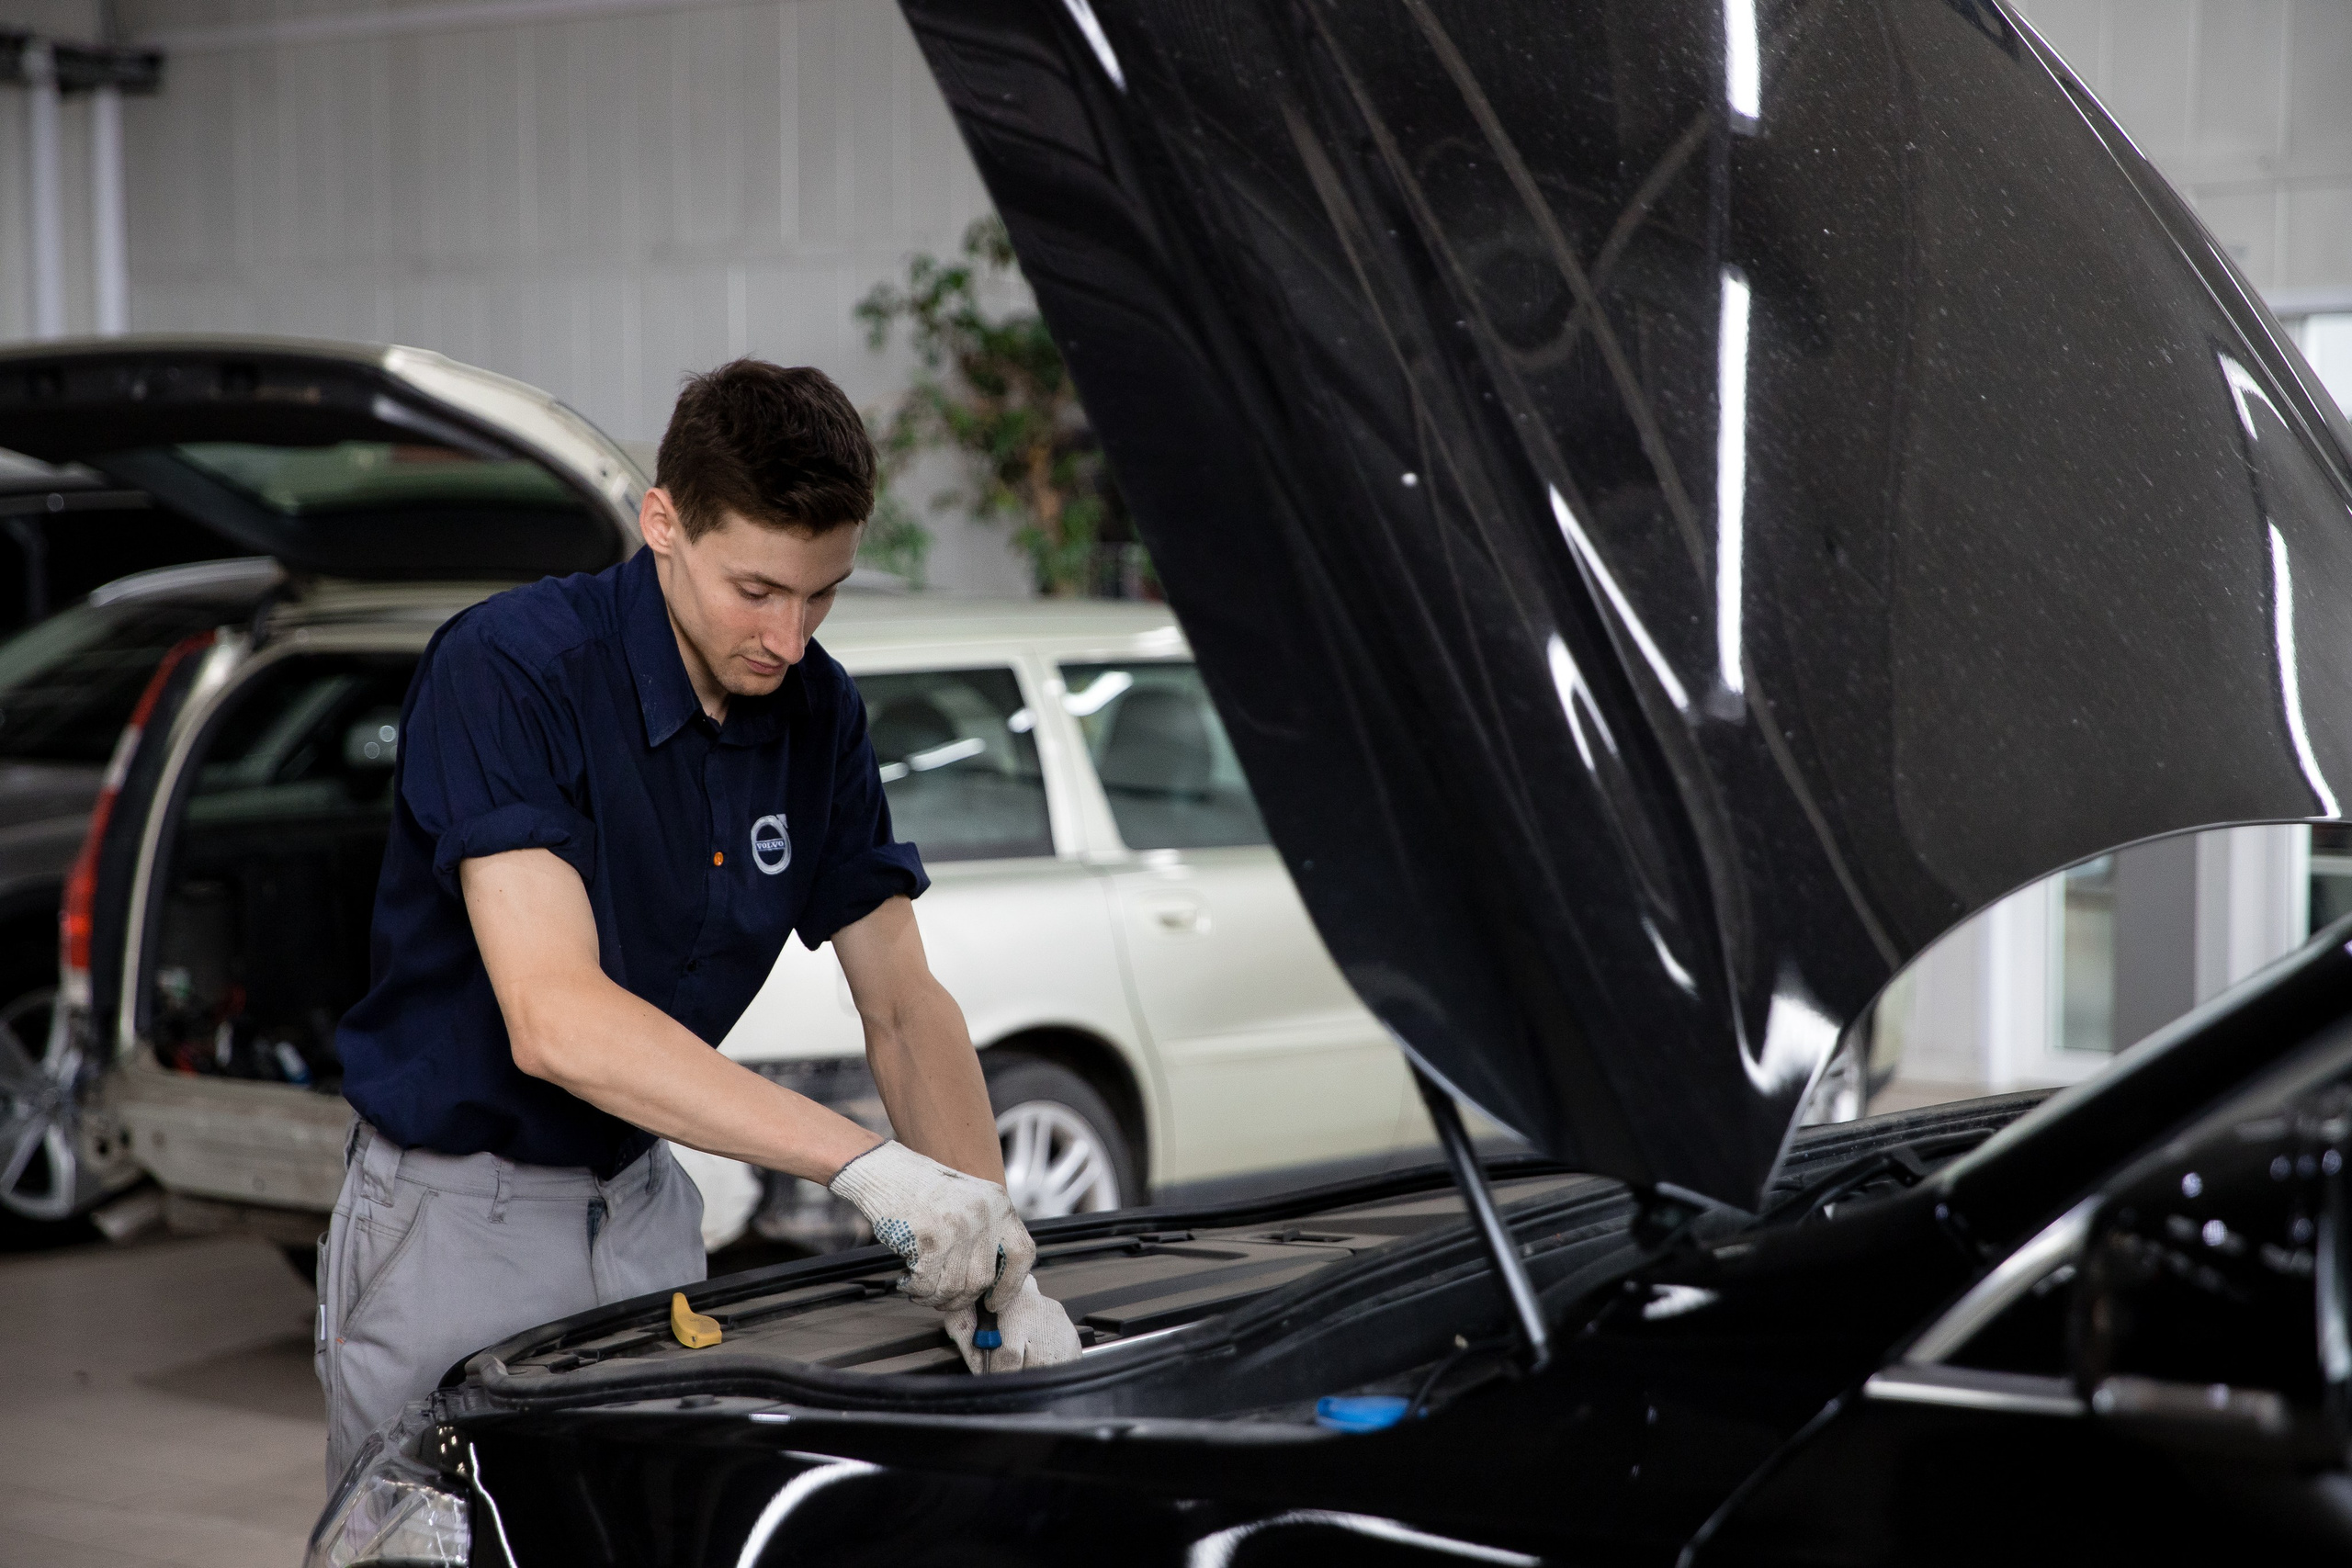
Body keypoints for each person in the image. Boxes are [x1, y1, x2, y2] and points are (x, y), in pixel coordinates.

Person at [317, 359, 1078, 1481]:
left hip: (646, 1205)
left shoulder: (816, 710)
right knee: (442, 1539)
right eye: (757, 591)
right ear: (662, 523)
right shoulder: (513, 671)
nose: (789, 635)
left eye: (824, 594)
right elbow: (556, 1019)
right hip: (455, 1218)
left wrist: (995, 1252)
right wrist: (869, 1168)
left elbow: (905, 1007)